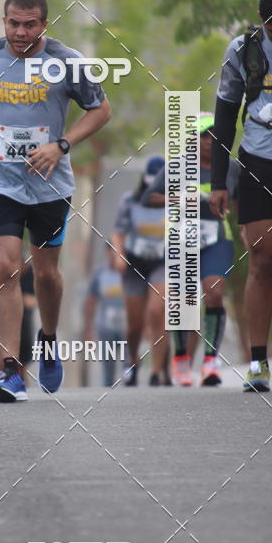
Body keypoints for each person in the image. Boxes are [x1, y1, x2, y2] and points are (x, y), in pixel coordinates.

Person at [0, 0, 111, 402]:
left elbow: (101, 110)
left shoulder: (66, 62)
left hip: (50, 185)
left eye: (29, 25)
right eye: (13, 23)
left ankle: (49, 337)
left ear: (44, 24)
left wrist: (61, 145)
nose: (20, 32)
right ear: (3, 20)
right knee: (5, 268)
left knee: (46, 275)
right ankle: (11, 369)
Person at [144, 113, 240, 386]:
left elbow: (246, 199)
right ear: (193, 140)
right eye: (204, 136)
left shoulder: (231, 168)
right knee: (182, 301)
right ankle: (181, 357)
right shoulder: (176, 167)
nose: (210, 141)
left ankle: (210, 361)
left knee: (214, 291)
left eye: (215, 136)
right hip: (182, 238)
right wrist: (179, 197)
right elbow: (149, 197)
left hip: (217, 237)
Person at [211, 0, 272, 392]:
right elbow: (225, 114)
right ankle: (257, 361)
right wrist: (218, 182)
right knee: (264, 257)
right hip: (259, 158)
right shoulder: (244, 50)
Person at [111, 156, 167, 386]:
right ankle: (132, 361)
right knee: (135, 323)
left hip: (162, 262)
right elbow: (118, 232)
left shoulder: (176, 201)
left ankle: (156, 371)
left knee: (157, 311)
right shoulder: (130, 201)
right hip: (135, 263)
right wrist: (119, 255)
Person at [83, 245, 126, 387]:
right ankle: (108, 398)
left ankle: (132, 395)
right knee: (108, 369)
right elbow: (91, 301)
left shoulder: (131, 273)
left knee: (130, 366)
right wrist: (88, 329)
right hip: (106, 328)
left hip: (128, 328)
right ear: (107, 252)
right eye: (113, 250)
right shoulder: (100, 274)